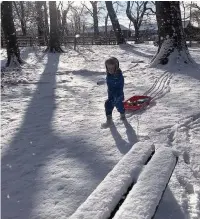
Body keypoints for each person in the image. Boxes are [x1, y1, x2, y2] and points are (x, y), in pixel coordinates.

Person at [104, 57, 125, 125]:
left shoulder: (119, 76)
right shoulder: (109, 75)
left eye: (112, 68)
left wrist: (117, 95)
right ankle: (109, 119)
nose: (110, 70)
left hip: (118, 95)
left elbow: (120, 86)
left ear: (116, 67)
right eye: (108, 68)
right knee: (108, 105)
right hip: (111, 94)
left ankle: (122, 114)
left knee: (119, 106)